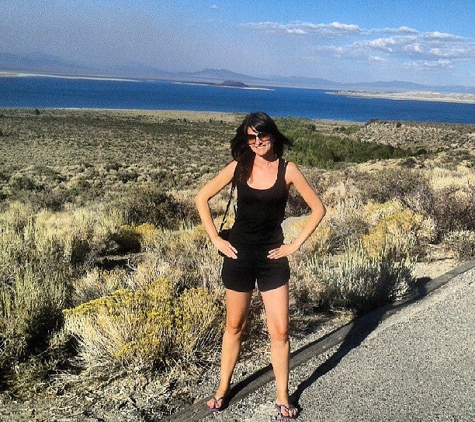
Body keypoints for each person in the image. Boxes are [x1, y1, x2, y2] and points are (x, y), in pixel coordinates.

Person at [195, 112, 326, 420]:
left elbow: (318, 209)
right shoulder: (238, 167)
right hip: (238, 256)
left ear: (273, 135)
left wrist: (294, 245)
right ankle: (223, 388)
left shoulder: (288, 170)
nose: (257, 143)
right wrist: (215, 238)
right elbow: (201, 198)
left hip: (271, 259)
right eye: (250, 138)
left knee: (280, 331)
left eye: (262, 136)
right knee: (234, 326)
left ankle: (282, 396)